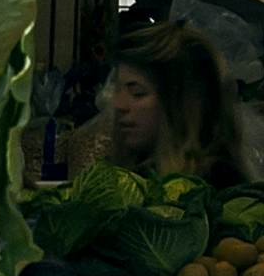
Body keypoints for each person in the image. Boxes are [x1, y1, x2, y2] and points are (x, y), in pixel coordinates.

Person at [62, 22, 247, 186]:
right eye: (117, 89)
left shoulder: (219, 187)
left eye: (137, 93)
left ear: (180, 105)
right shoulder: (132, 175)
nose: (119, 105)